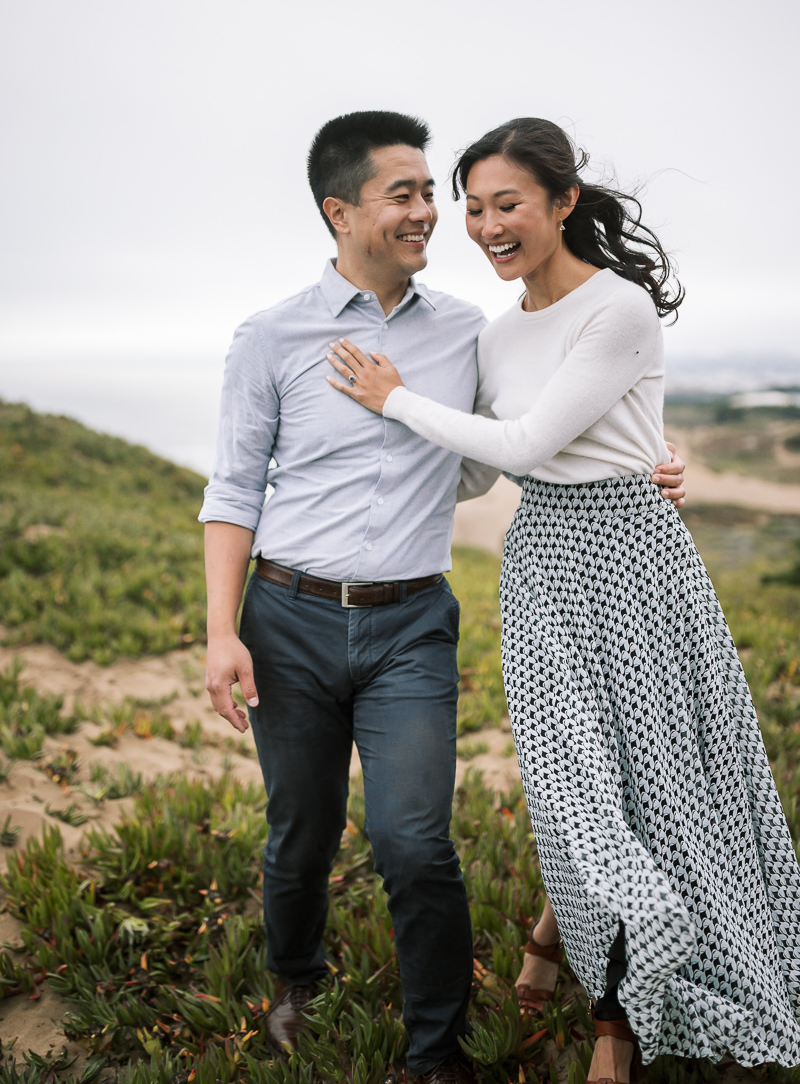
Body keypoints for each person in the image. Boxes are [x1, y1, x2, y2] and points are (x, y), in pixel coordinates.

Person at [199, 110, 686, 1082]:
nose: (432, 214)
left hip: (411, 623)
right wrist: (221, 630)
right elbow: (233, 485)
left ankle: (434, 1051)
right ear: (340, 212)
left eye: (437, 195)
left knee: (413, 840)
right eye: (408, 195)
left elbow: (534, 433)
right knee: (300, 827)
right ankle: (294, 975)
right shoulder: (269, 337)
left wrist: (654, 466)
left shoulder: (469, 331)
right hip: (285, 615)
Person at [326, 117, 800, 1082]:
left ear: (563, 203)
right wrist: (350, 481)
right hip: (542, 560)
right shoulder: (498, 339)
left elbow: (532, 441)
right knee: (573, 779)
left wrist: (395, 399)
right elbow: (477, 473)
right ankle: (567, 933)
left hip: (635, 560)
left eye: (509, 205)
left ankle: (618, 1016)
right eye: (473, 209)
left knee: (648, 778)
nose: (488, 226)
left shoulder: (616, 310)